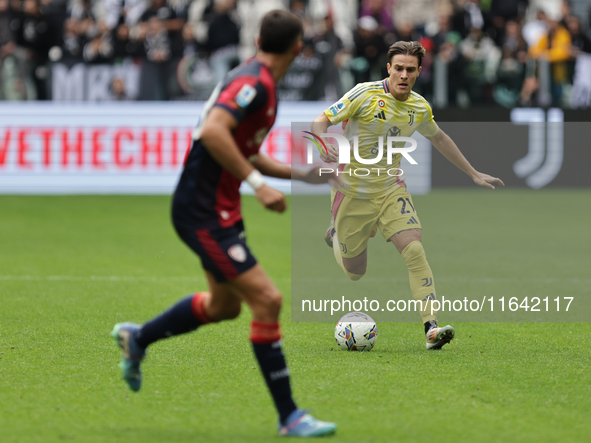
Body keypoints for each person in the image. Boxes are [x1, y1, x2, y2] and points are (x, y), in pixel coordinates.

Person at [111, 10, 337, 438]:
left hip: (219, 210)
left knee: (224, 307)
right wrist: (256, 184)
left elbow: (244, 150)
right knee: (267, 300)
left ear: (257, 39)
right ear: (298, 48)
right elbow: (213, 132)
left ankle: (137, 338)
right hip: (202, 211)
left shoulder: (254, 81)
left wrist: (304, 175)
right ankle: (290, 416)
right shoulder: (254, 84)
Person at [311, 40, 504, 350]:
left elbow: (439, 137)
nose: (403, 75)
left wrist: (473, 172)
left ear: (418, 72)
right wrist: (324, 145)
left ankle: (431, 329)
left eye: (409, 70)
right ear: (388, 68)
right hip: (352, 193)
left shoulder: (419, 107)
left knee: (414, 250)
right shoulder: (363, 93)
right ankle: (335, 234)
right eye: (398, 68)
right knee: (355, 273)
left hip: (390, 189)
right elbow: (320, 121)